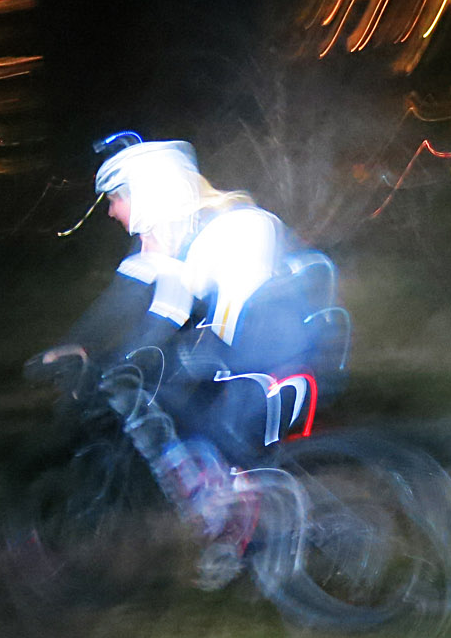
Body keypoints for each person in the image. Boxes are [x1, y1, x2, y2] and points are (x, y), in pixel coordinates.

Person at [41, 133, 348, 469]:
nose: (111, 211)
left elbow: (198, 321)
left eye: (115, 198)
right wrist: (80, 349)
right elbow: (138, 307)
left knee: (205, 443)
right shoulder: (173, 238)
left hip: (279, 359)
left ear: (147, 195)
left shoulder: (234, 227)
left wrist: (126, 365)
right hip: (244, 355)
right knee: (169, 410)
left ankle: (246, 491)